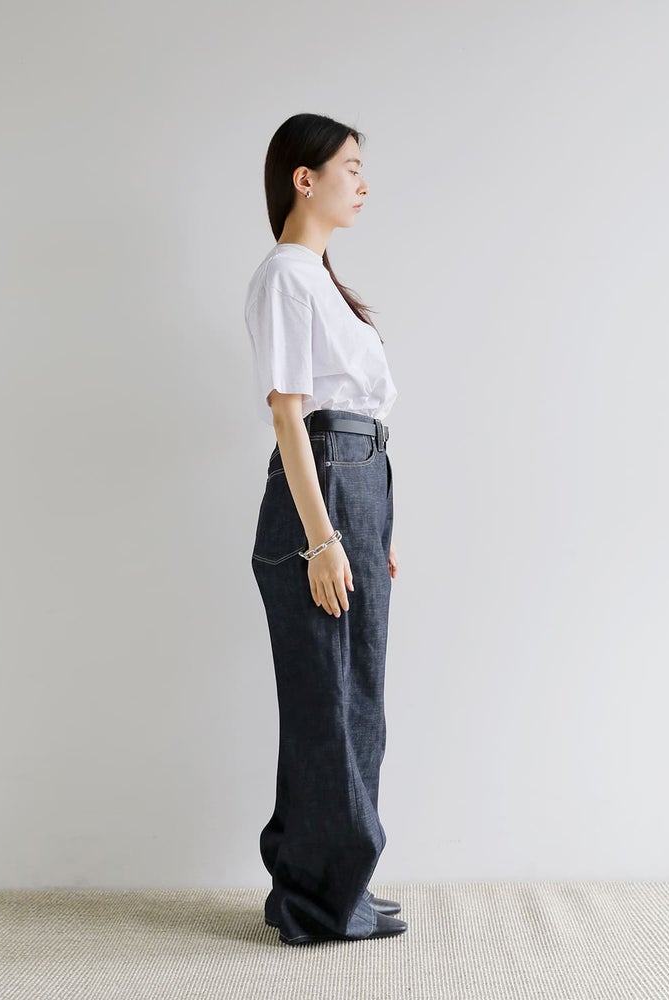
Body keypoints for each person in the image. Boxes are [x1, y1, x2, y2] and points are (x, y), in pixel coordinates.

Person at [245, 113, 405, 946]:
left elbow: (355, 421)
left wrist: (372, 527)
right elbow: (290, 414)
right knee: (328, 704)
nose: (363, 182)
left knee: (357, 701)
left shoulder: (318, 279)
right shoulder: (286, 276)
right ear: (303, 179)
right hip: (325, 493)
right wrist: (323, 538)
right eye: (350, 167)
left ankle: (338, 886)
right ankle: (315, 900)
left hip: (357, 486)